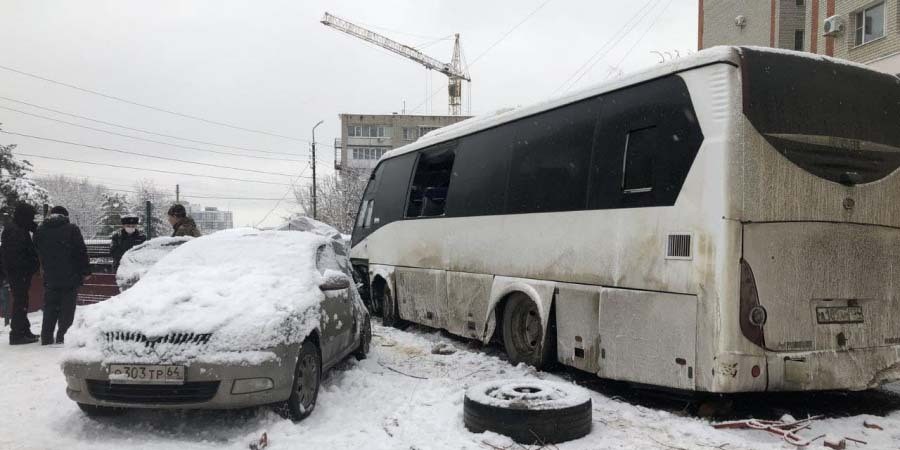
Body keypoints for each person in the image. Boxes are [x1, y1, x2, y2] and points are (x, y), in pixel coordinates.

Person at [33, 206, 90, 345]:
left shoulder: (41, 230)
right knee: (67, 309)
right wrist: (86, 271)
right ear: (65, 216)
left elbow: (36, 250)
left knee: (50, 307)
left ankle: (46, 337)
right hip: (70, 275)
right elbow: (80, 251)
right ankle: (63, 337)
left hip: (50, 275)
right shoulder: (72, 229)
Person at [0, 203, 40, 345]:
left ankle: (23, 330)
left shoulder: (18, 227)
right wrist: (27, 268)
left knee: (22, 301)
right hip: (18, 273)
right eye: (31, 217)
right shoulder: (14, 231)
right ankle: (17, 334)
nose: (32, 219)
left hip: (19, 273)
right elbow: (15, 256)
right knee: (20, 302)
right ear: (24, 216)